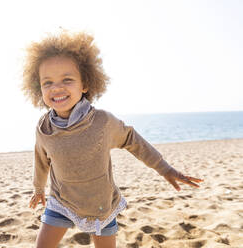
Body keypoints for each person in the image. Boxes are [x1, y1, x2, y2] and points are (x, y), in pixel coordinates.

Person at [22, 30, 203, 248]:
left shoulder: (102, 122)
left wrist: (164, 168)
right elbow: (41, 161)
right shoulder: (44, 128)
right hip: (61, 202)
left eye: (67, 80)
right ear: (38, 87)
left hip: (101, 205)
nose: (56, 87)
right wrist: (39, 189)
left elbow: (133, 140)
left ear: (85, 84)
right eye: (47, 82)